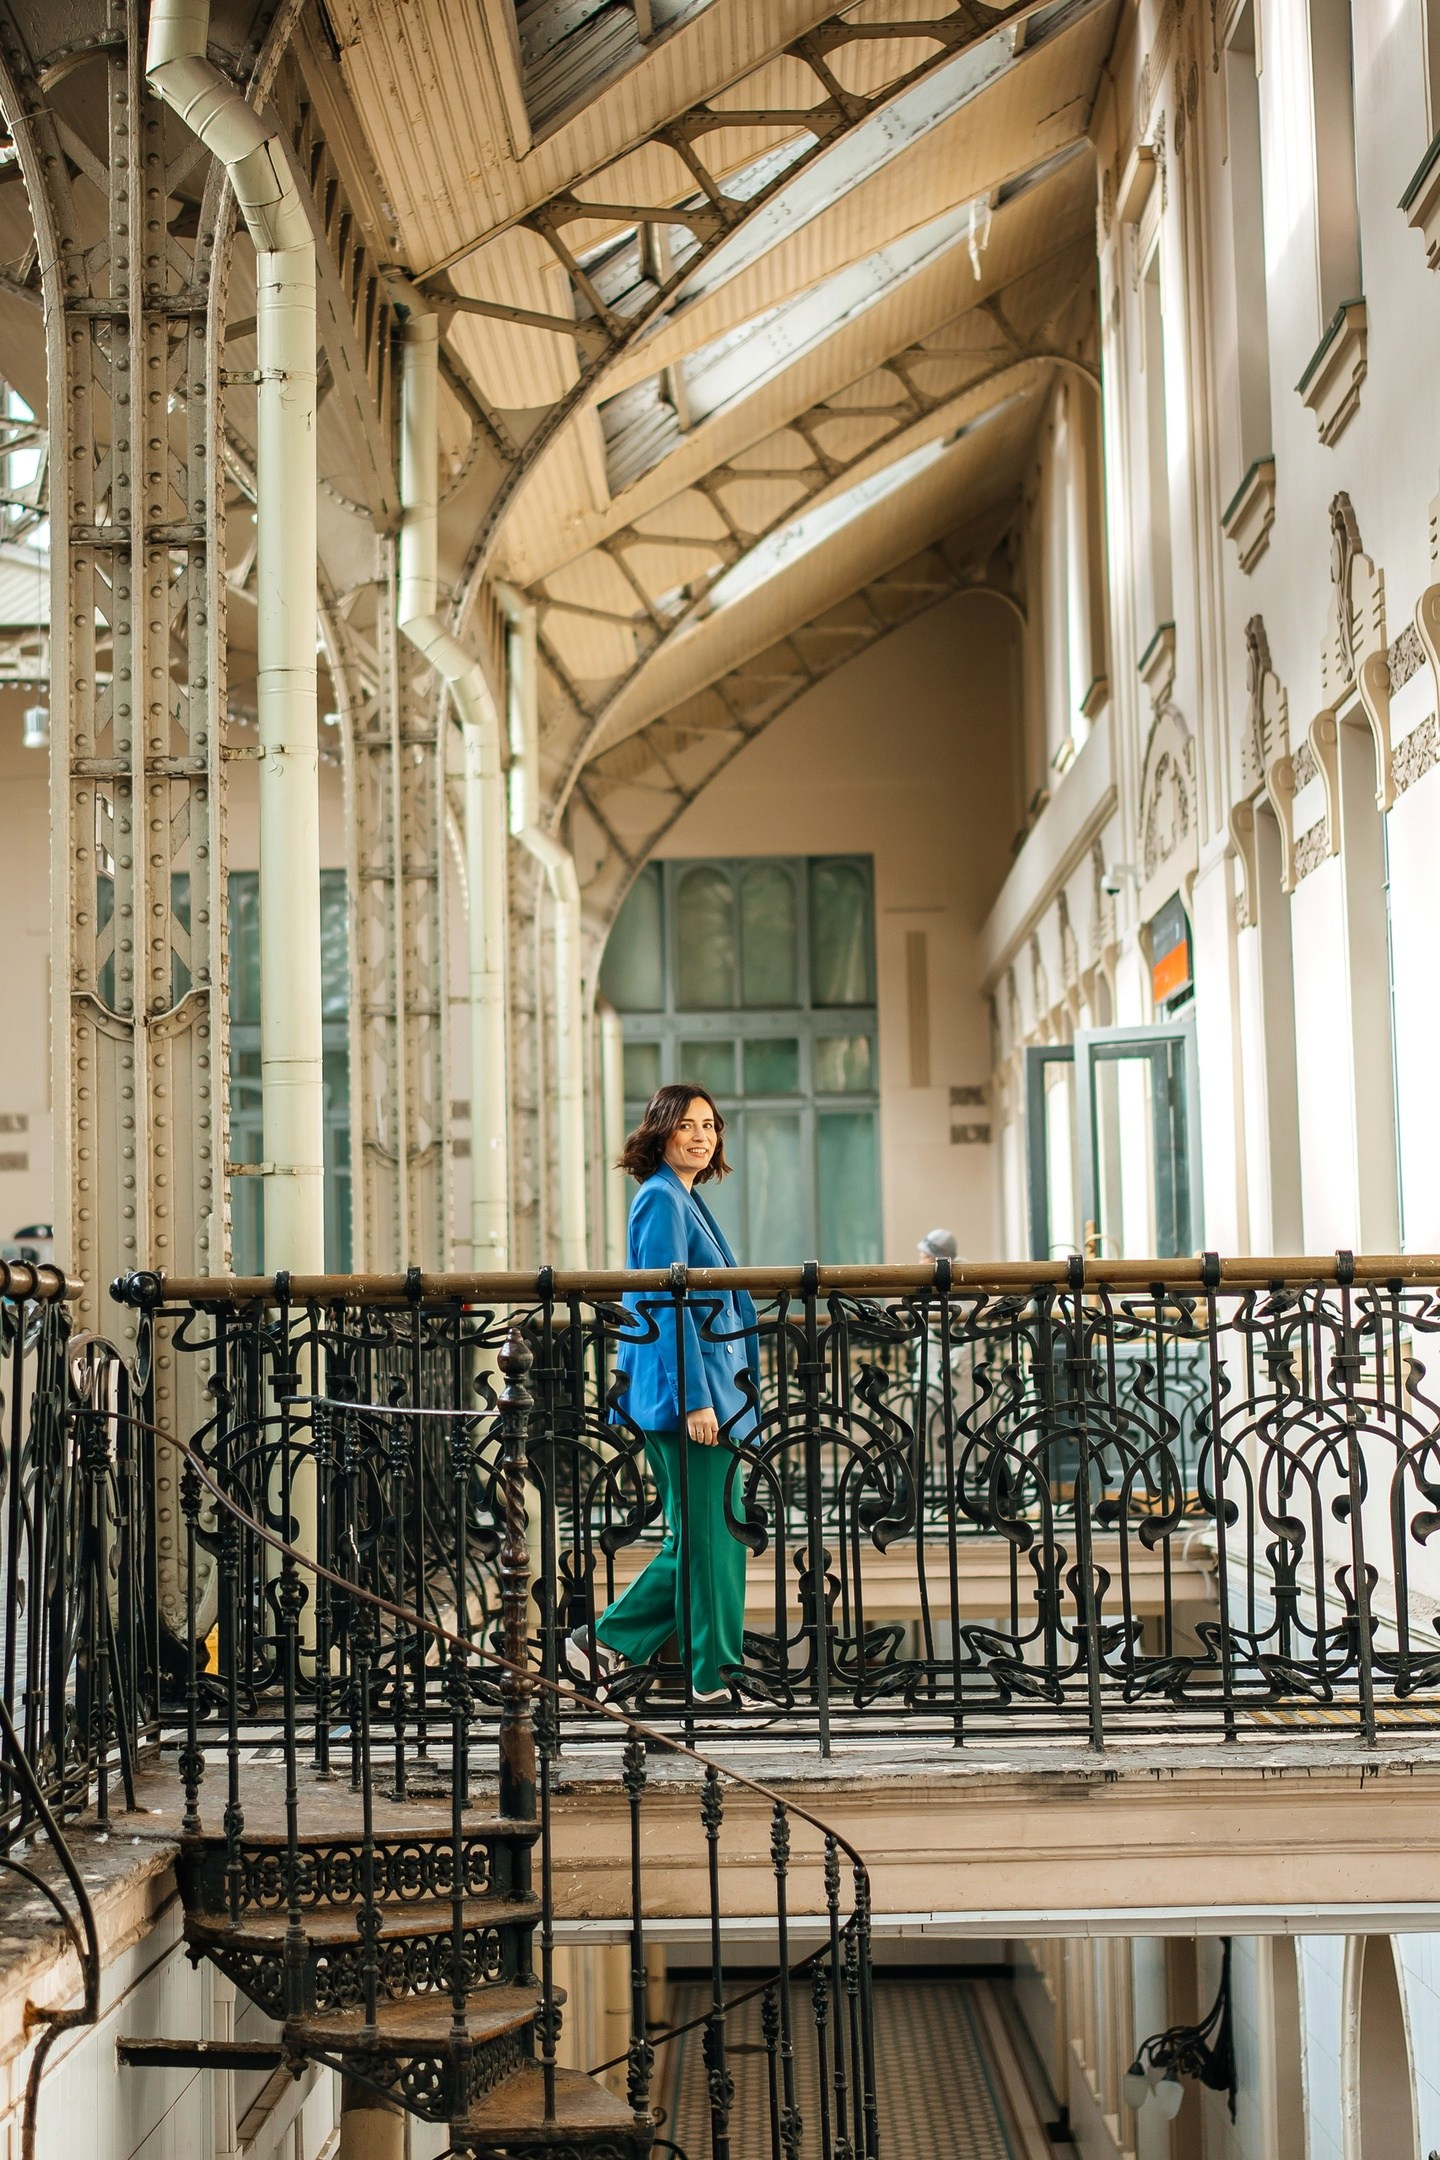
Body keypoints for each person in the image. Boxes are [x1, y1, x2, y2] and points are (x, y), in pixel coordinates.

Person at [567, 1083, 758, 1706]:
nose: (702, 1135)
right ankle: (697, 1672)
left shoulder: (684, 1198)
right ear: (660, 1132)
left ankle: (624, 1650)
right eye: (688, 1125)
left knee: (709, 1537)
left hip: (710, 1395)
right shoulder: (660, 1201)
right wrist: (697, 1401)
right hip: (689, 1400)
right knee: (710, 1539)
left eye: (710, 1125)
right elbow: (665, 1307)